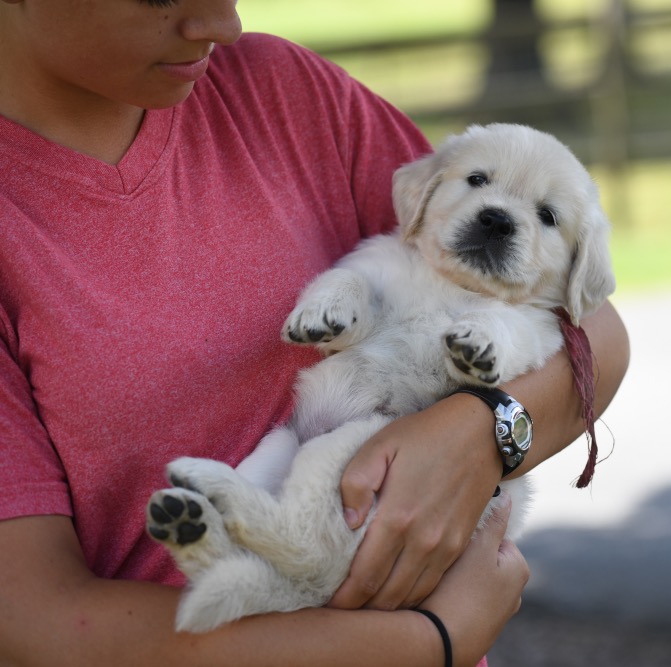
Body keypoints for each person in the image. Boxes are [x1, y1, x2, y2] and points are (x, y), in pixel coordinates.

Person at [0, 1, 630, 666]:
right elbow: (35, 618)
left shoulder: (281, 94)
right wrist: (429, 642)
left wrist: (483, 431)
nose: (222, 25)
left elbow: (595, 333)